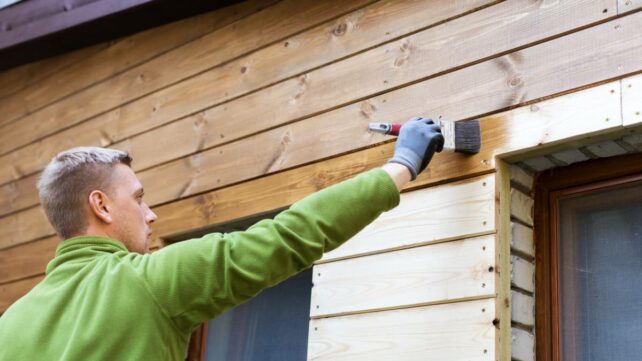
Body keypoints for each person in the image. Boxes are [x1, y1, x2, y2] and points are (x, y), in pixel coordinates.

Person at [0, 117, 443, 360]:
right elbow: (288, 237)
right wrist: (402, 165)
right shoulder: (149, 282)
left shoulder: (10, 326)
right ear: (101, 206)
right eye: (139, 198)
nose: (151, 214)